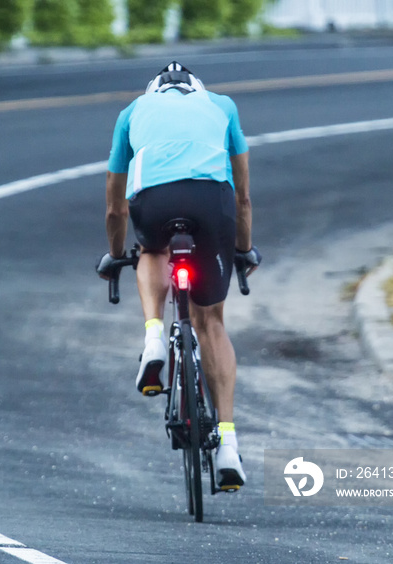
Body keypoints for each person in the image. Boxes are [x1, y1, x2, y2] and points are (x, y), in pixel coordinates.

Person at [96, 62, 261, 490]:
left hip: (156, 200)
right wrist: (242, 250)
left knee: (151, 250)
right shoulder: (222, 106)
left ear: (154, 92)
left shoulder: (132, 112)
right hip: (213, 202)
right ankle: (227, 445)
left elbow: (115, 208)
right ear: (197, 90)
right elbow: (242, 198)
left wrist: (116, 256)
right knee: (212, 323)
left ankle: (154, 338)